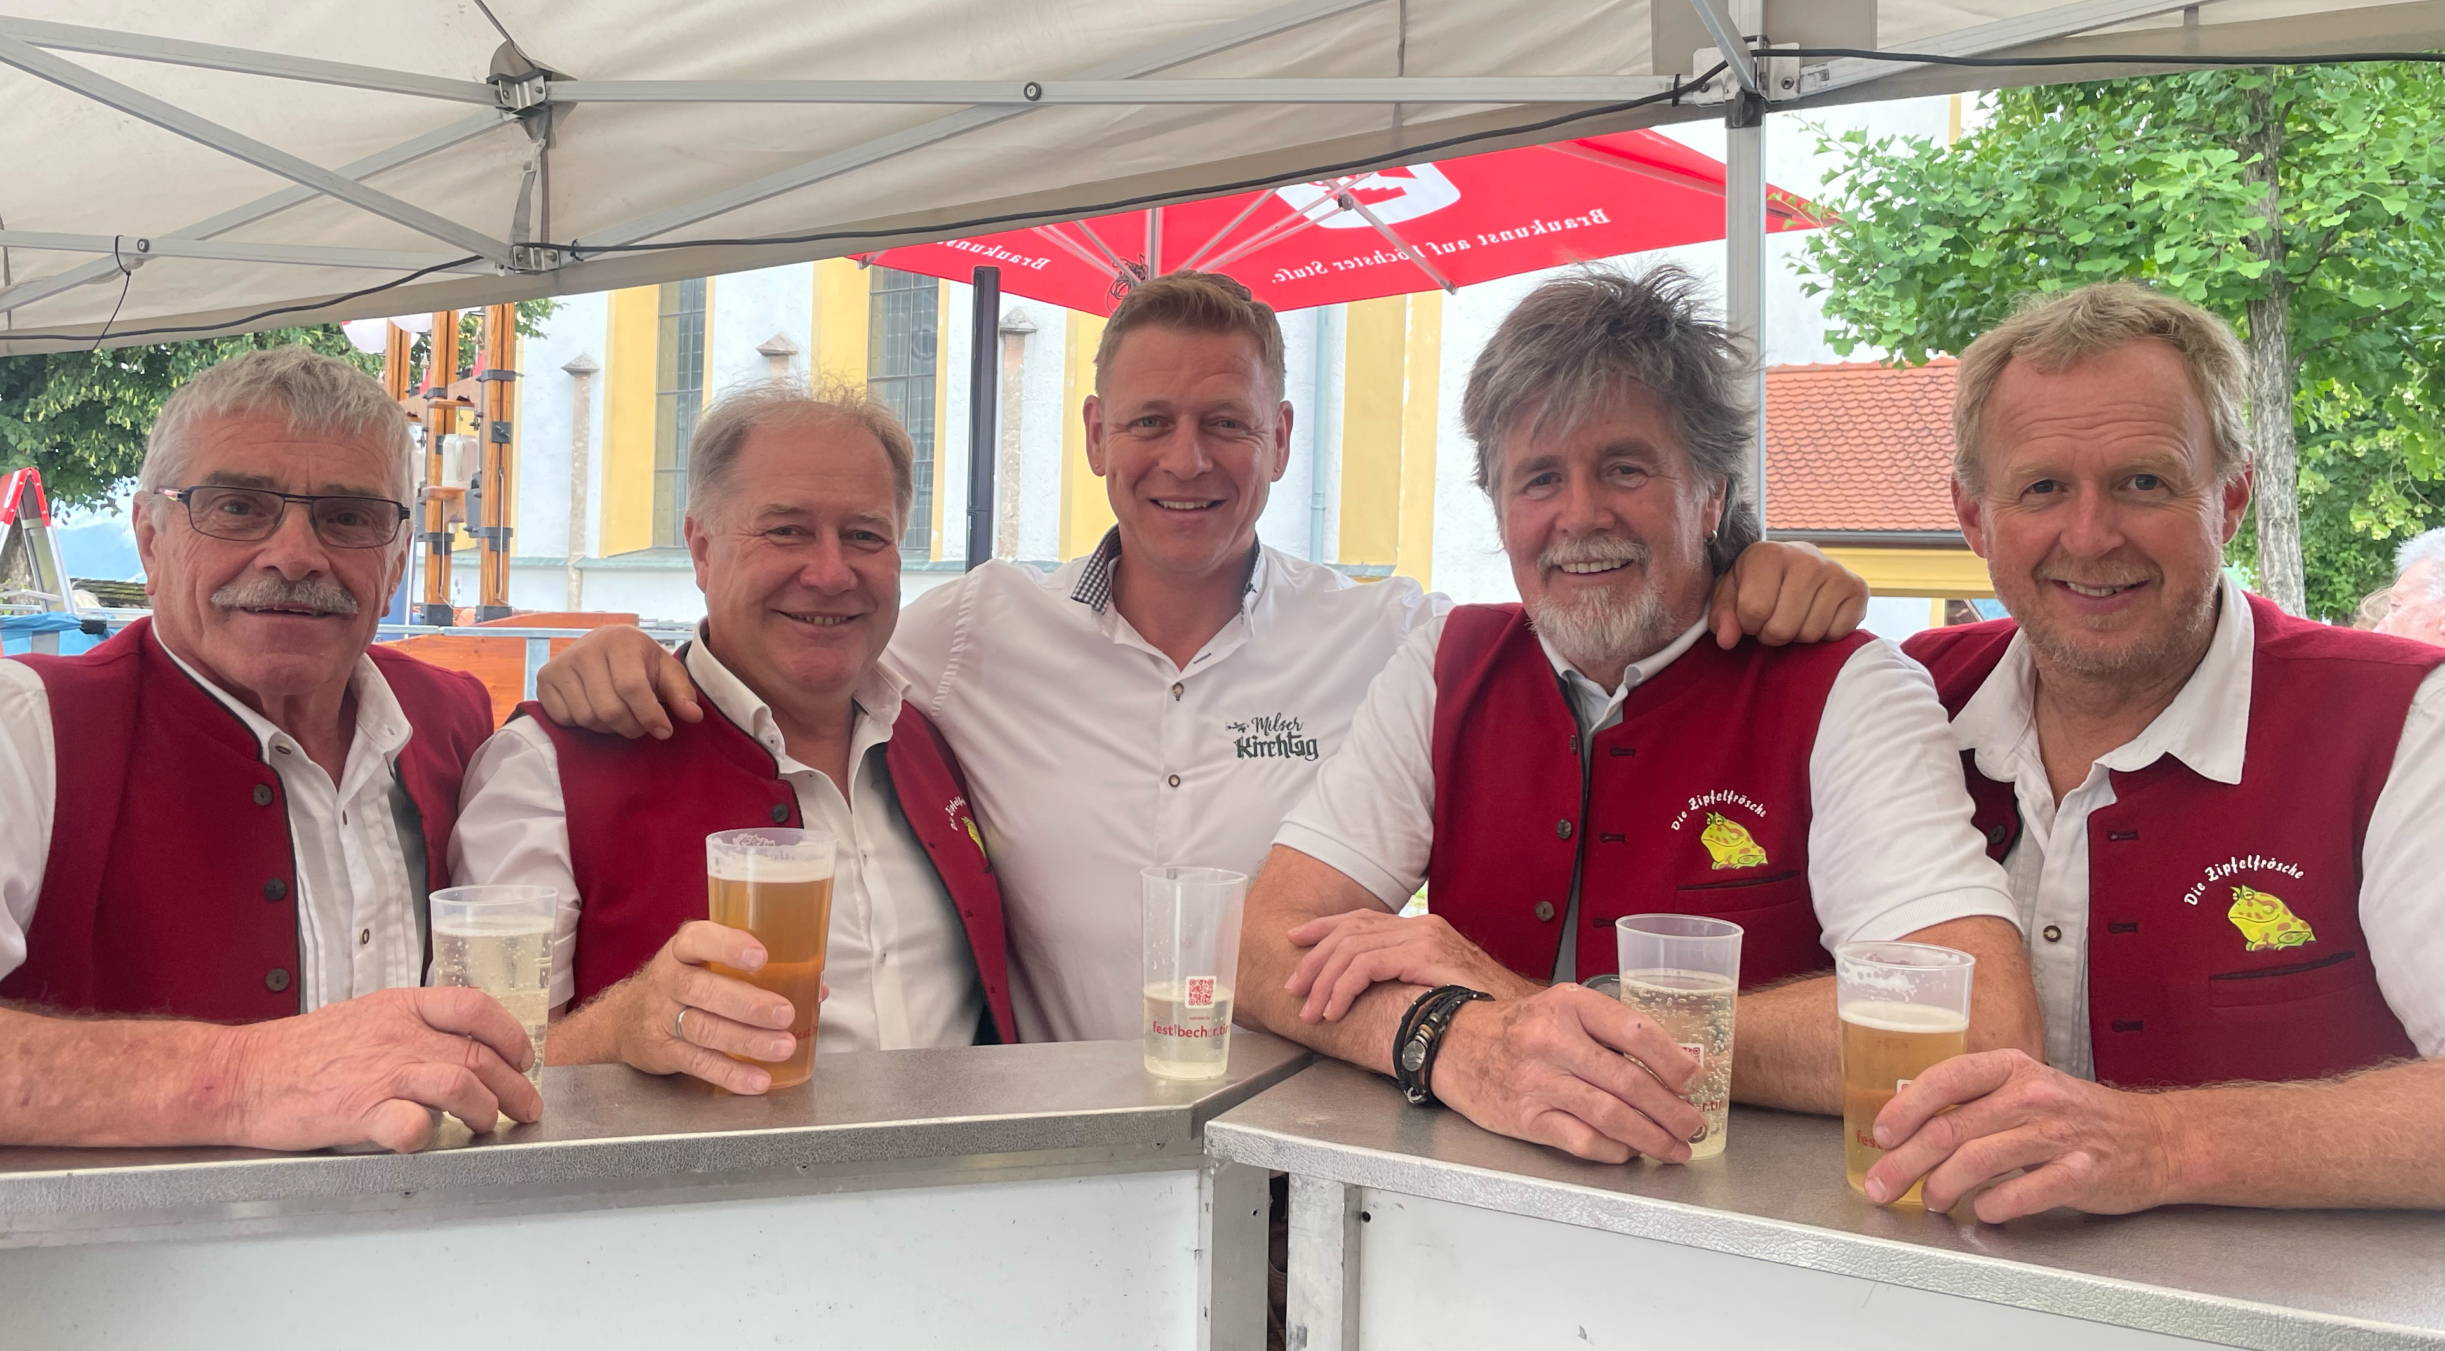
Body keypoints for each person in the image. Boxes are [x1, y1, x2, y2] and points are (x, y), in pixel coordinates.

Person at [533, 270, 1870, 1045]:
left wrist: (1742, 560)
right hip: (1052, 1157)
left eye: (1226, 423)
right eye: (1151, 422)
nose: (1187, 460)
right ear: (1094, 435)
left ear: (1281, 438)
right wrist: (632, 656)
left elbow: (1579, 602)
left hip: (1290, 1137)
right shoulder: (973, 631)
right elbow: (810, 638)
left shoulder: (1389, 636)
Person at [1236, 269, 2036, 1165]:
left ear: (1712, 493)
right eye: (1539, 478)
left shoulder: (1845, 687)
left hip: (1739, 1224)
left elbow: (1978, 1024)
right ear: (1497, 507)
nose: (1579, 516)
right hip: (1455, 1215)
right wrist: (1452, 1035)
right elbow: (1260, 950)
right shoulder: (1444, 666)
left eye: (1624, 468)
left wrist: (1533, 1006)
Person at [1872, 284, 2445, 1218]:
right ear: (1973, 517)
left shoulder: (2406, 723)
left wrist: (2164, 1144)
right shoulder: (1903, 699)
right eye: (2043, 488)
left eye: (2144, 482)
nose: (2091, 536)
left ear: (2231, 499)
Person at [0, 347, 539, 1151]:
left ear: (397, 555)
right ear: (150, 540)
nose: (295, 555)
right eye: (237, 507)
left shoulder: (453, 719)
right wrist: (240, 1080)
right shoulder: (12, 727)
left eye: (348, 517)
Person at [452, 387, 1015, 1094]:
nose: (831, 573)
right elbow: (476, 1080)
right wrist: (621, 1028)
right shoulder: (543, 771)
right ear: (701, 549)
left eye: (866, 536)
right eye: (786, 530)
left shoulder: (938, 737)